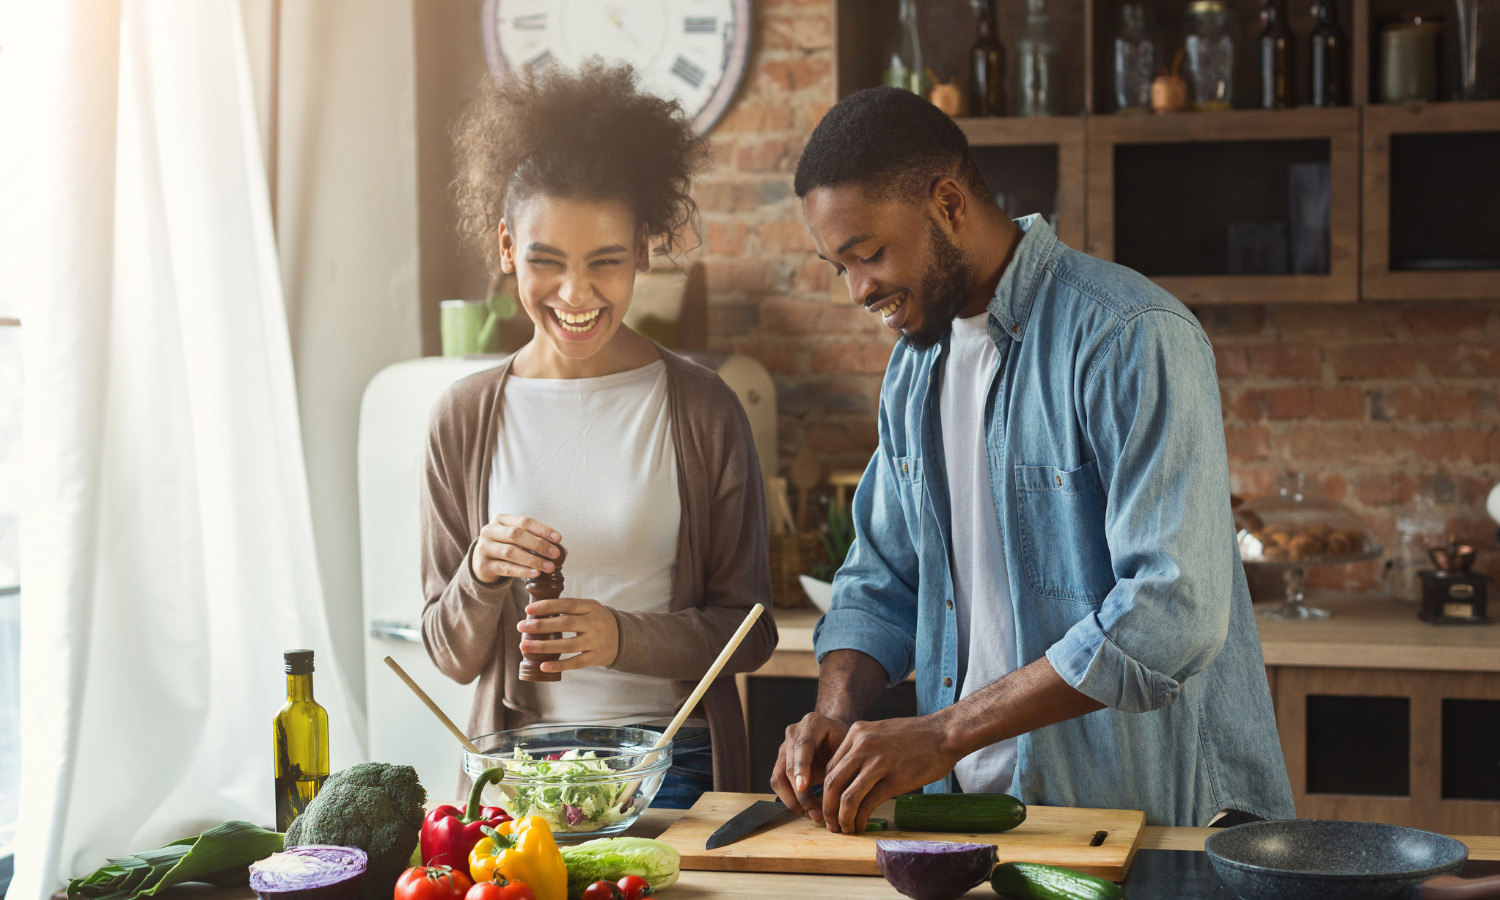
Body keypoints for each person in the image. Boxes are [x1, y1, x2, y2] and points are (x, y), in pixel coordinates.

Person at [771, 86, 1294, 829]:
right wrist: (834, 712)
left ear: (949, 202)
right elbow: (880, 577)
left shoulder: (1130, 335)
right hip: (969, 816)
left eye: (871, 254)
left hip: (1140, 820)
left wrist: (944, 733)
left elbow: (1171, 611)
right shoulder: (915, 367)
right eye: (838, 267)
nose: (859, 290)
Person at [421, 61, 776, 808]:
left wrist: (623, 638)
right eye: (546, 262)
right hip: (518, 773)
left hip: (672, 764)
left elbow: (753, 632)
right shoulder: (462, 418)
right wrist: (480, 576)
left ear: (643, 248)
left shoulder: (706, 411)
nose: (576, 296)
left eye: (605, 263)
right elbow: (449, 653)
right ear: (507, 247)